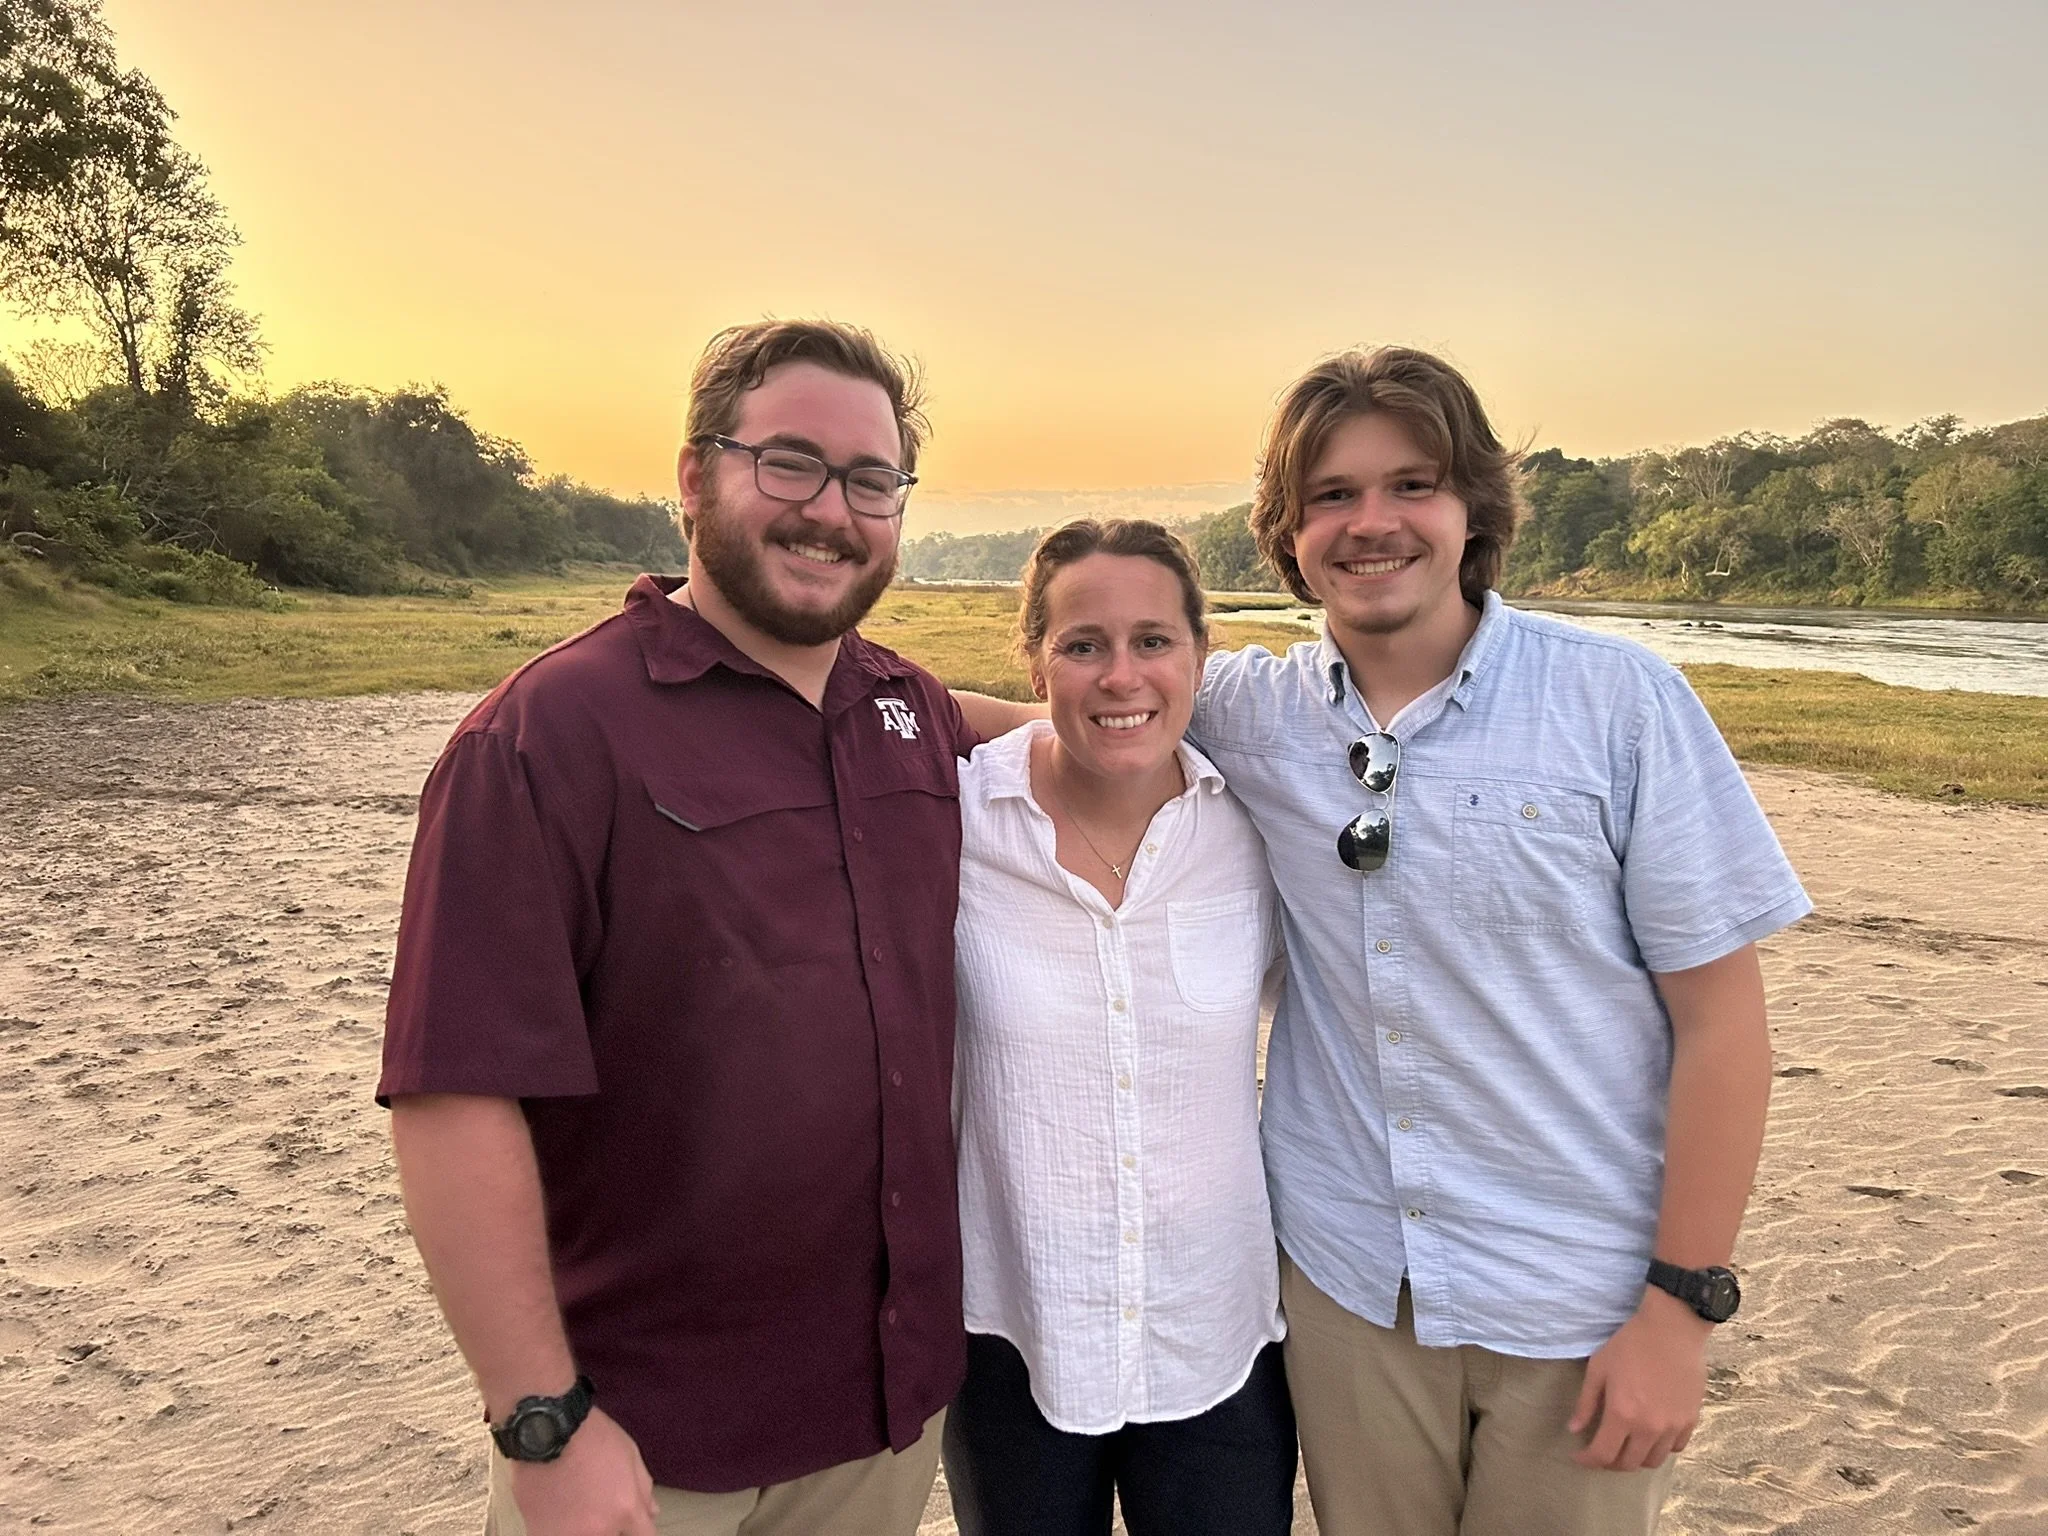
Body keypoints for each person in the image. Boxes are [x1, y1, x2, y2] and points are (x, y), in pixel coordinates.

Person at [957, 346, 1811, 1536]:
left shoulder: (1619, 703)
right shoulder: (1258, 713)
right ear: (1288, 531)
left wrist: (1678, 1311)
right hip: (1347, 1296)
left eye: (1410, 484)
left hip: (1574, 1303)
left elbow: (1723, 1025)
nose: (1371, 524)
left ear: (1471, 510)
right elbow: (1092, 711)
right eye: (1329, 497)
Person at [379, 319, 976, 1536]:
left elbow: (1056, 733)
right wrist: (538, 1419)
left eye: (872, 480)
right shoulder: (547, 737)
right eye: (790, 463)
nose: (832, 510)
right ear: (695, 476)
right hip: (649, 1446)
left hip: (885, 1413)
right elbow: (454, 1097)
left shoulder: (905, 711)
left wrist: (1144, 711)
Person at [945, 519, 1296, 1536]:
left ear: (1199, 654)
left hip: (1216, 1332)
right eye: (1081, 644)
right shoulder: (951, 817)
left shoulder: (1254, 827)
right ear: (1034, 656)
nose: (1119, 675)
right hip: (1013, 1326)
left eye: (1152, 641)